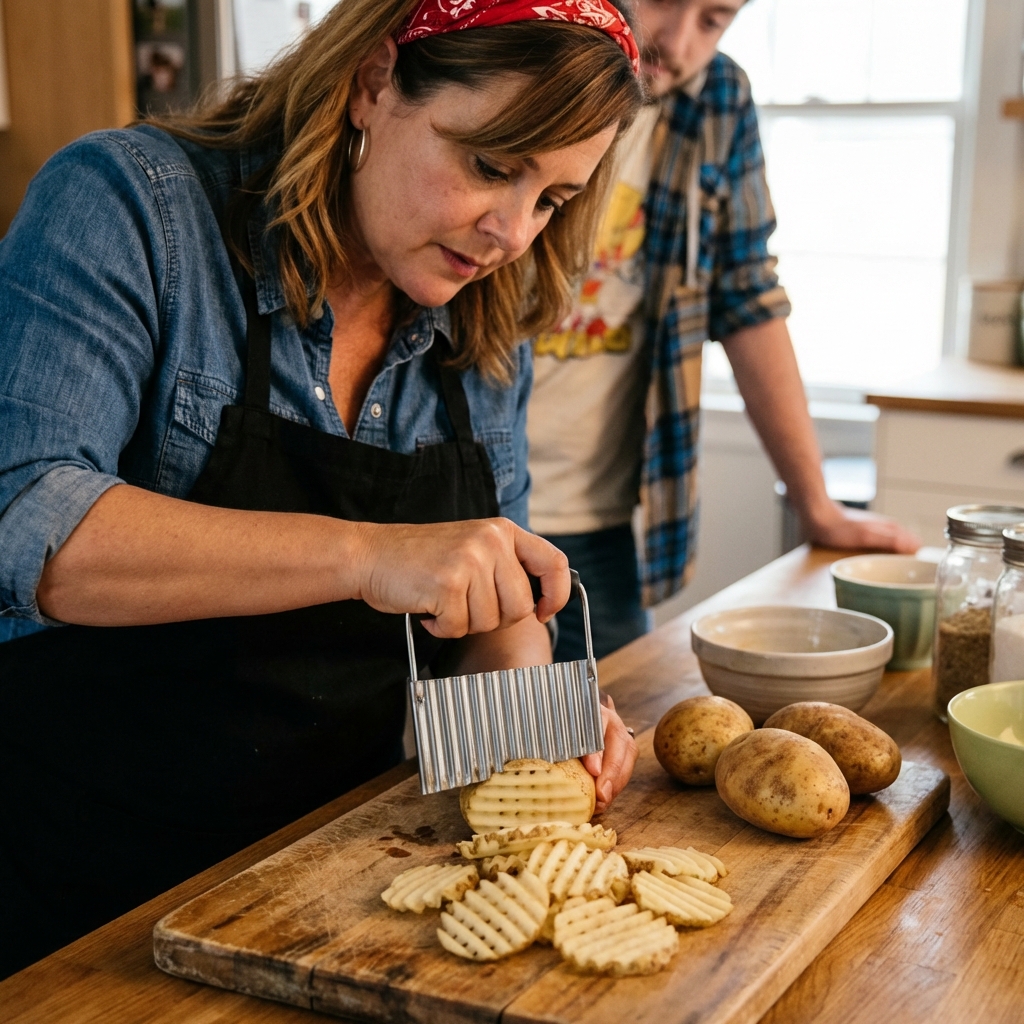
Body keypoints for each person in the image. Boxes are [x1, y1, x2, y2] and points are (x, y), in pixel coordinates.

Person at [0, 0, 644, 978]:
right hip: (84, 894)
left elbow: (489, 606)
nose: (512, 232)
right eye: (490, 164)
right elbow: (26, 519)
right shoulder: (129, 205)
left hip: (328, 889)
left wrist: (532, 736)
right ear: (374, 78)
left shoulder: (484, 314)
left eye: (553, 197)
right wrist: (371, 551)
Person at [527, 0, 921, 662]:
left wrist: (816, 505)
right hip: (467, 502)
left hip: (605, 520)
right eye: (662, 2)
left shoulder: (717, 100)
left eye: (713, 19)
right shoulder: (513, 57)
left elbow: (747, 298)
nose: (676, 42)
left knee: (604, 736)